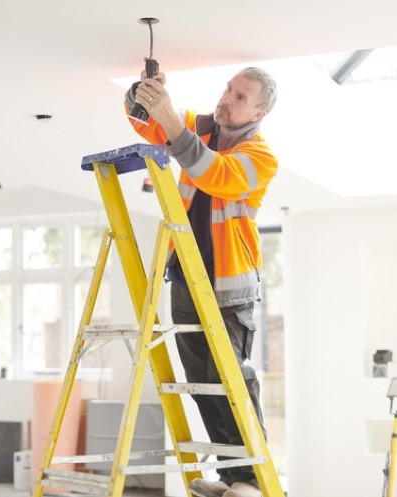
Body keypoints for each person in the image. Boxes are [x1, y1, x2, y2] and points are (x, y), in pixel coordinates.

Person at [124, 67, 278, 497]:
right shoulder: (199, 128)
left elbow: (213, 173)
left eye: (240, 96)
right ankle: (234, 477)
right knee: (202, 383)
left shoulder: (261, 157)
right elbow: (146, 122)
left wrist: (170, 119)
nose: (227, 98)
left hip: (229, 287)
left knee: (233, 382)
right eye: (228, 89)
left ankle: (254, 478)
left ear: (259, 111)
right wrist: (144, 94)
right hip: (186, 277)